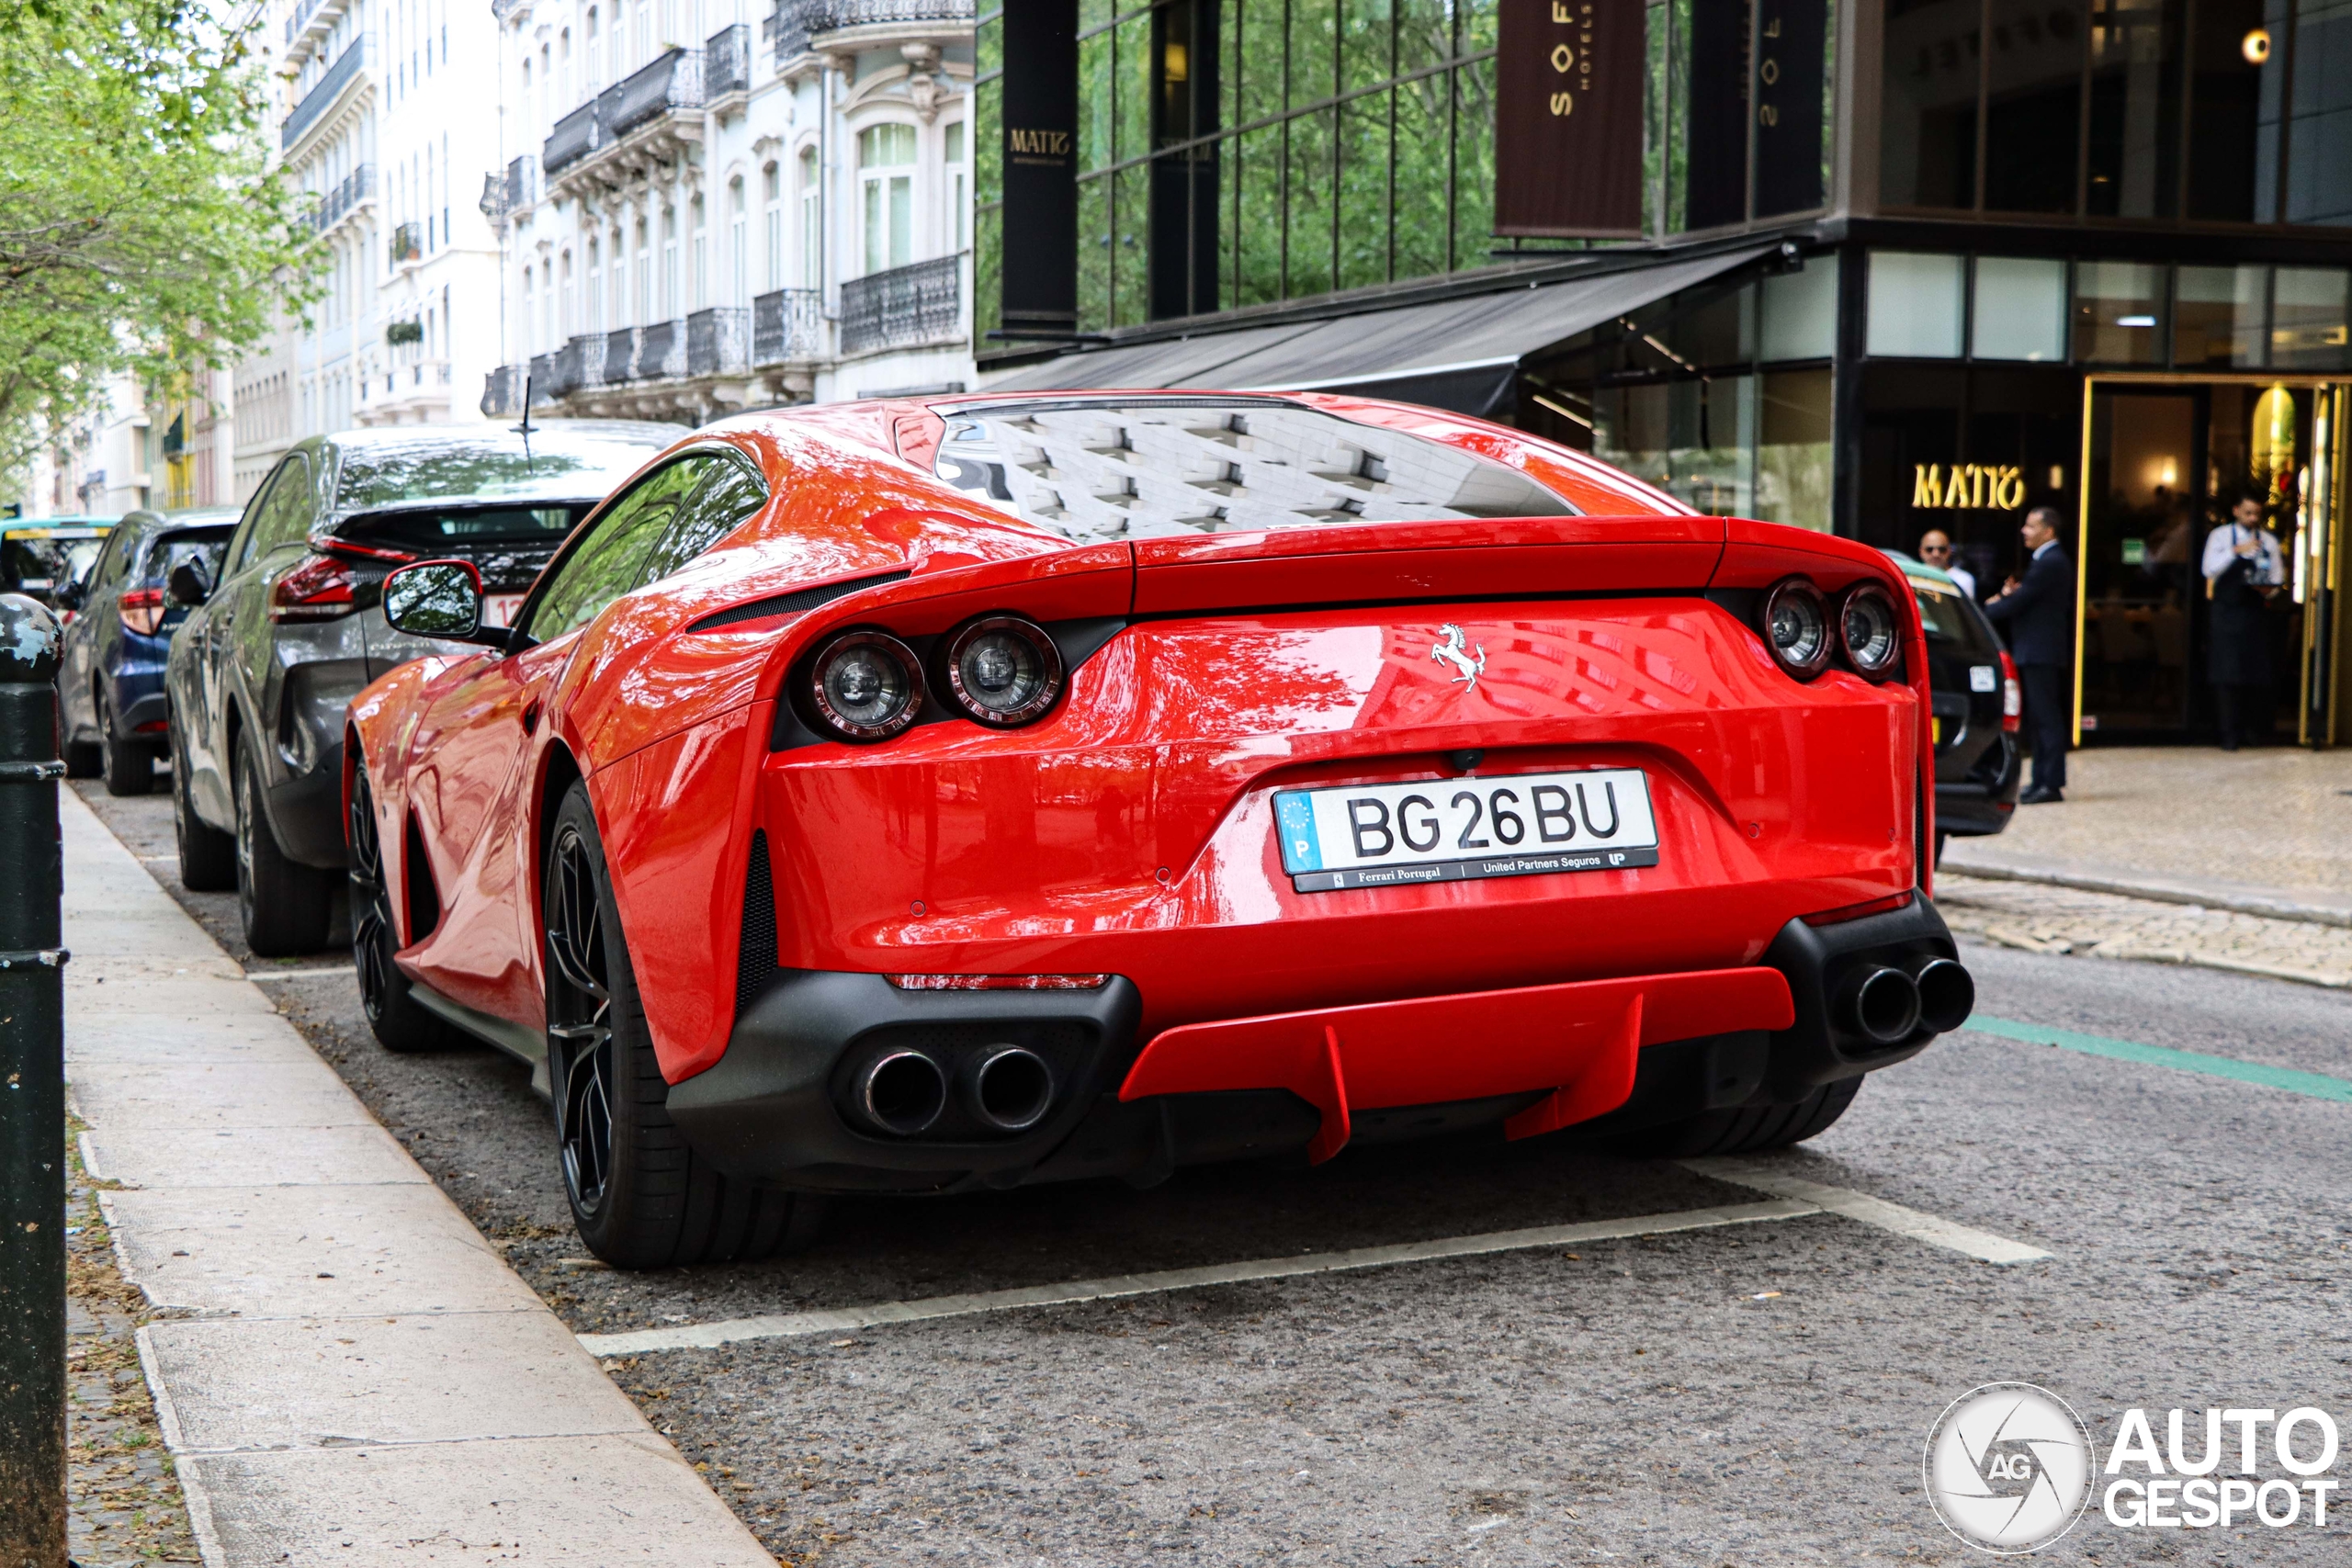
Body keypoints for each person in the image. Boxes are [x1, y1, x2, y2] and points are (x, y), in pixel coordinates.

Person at [1984, 506, 2075, 804]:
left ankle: (2050, 783)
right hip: (2036, 649)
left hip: (2041, 650)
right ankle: (2040, 780)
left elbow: (2023, 601)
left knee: (2046, 718)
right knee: (2039, 718)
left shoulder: (2050, 562)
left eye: (2031, 526)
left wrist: (1985, 611)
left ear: (2048, 531)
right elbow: (2028, 599)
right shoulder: (2046, 561)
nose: (2024, 531)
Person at [2201, 493, 2286, 750]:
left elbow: (2276, 578)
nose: (2252, 518)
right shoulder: (2220, 537)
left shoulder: (2268, 541)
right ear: (2236, 510)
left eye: (2256, 514)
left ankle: (2251, 732)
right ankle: (2228, 734)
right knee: (2226, 674)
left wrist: (2267, 590)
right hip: (2226, 614)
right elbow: (2208, 569)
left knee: (2253, 674)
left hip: (2254, 614)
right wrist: (2236, 551)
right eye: (2248, 513)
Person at [1917, 529, 1977, 601]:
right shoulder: (1912, 576)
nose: (1936, 554)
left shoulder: (1964, 579)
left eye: (1942, 549)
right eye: (1929, 549)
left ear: (1949, 551)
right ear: (1921, 551)